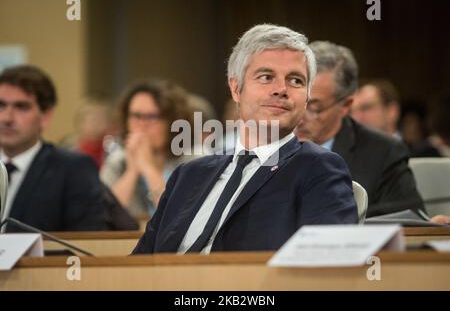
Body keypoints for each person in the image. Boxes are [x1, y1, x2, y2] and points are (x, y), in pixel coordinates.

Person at [132, 24, 357, 255]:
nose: (281, 89)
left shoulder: (318, 168)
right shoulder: (188, 175)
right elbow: (138, 263)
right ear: (236, 88)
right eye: (266, 76)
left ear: (307, 97)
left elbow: (328, 266)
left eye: (296, 80)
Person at [295, 41, 450, 224]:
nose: (299, 117)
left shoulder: (384, 151)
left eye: (314, 108)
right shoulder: (267, 141)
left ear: (345, 106)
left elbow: (407, 219)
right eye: (296, 102)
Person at [0, 65, 108, 232]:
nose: (7, 118)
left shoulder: (74, 169)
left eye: (21, 107)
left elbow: (87, 241)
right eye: (1, 105)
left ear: (45, 116)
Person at [100, 78, 192, 217]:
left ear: (173, 121)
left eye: (152, 116)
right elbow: (105, 217)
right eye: (136, 116)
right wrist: (131, 172)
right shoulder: (117, 161)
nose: (142, 124)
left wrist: (148, 168)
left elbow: (179, 216)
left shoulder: (194, 160)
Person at [352, 79, 440, 157]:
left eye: (366, 108)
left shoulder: (423, 153)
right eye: (351, 111)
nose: (356, 117)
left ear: (392, 111)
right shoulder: (346, 157)